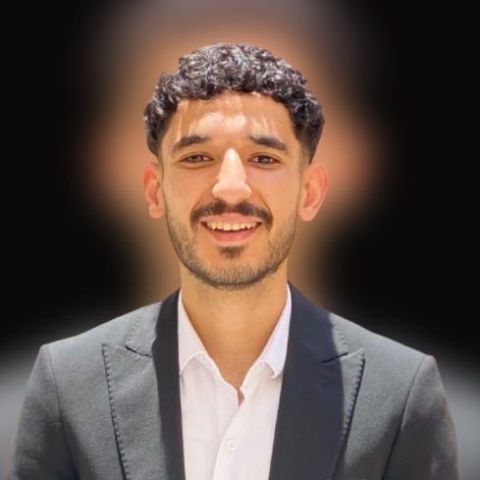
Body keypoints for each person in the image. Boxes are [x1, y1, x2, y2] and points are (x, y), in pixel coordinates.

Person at [7, 43, 459, 480]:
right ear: (155, 190)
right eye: (197, 157)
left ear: (310, 192)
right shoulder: (68, 385)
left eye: (263, 157)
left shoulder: (400, 394)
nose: (230, 187)